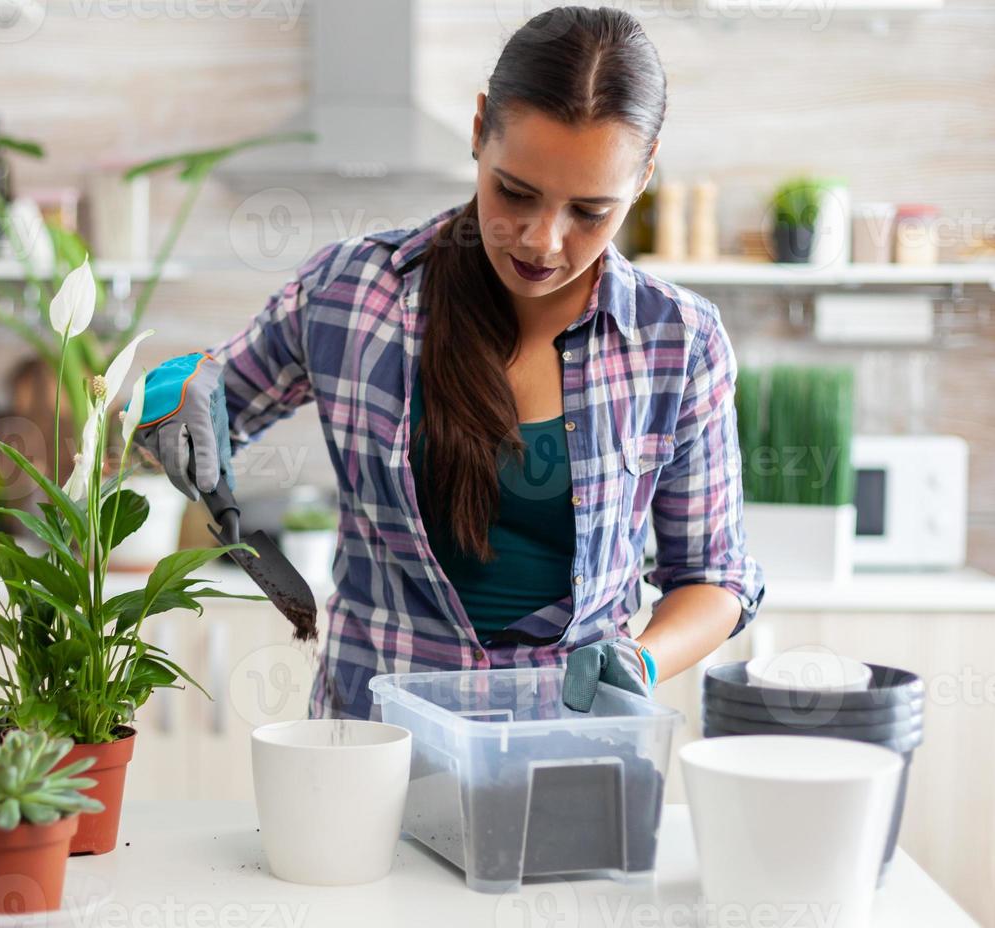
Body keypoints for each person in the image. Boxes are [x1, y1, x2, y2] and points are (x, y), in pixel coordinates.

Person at [135, 5, 765, 720]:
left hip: (569, 747)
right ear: (477, 132)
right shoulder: (351, 294)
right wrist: (179, 385)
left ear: (644, 174)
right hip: (374, 742)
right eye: (515, 193)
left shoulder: (677, 342)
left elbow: (714, 577)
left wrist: (642, 659)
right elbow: (207, 408)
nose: (542, 241)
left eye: (589, 211)